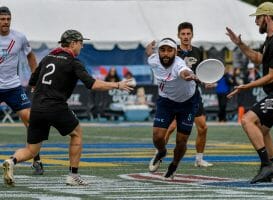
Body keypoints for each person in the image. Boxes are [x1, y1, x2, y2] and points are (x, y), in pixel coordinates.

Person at [2, 29, 134, 186]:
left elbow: (33, 80)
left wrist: (36, 90)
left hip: (37, 108)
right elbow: (92, 84)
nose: (82, 47)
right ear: (73, 43)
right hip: (56, 106)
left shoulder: (48, 57)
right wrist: (117, 84)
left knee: (32, 150)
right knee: (77, 133)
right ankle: (73, 175)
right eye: (81, 43)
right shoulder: (73, 62)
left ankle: (12, 160)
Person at [226, 2, 273, 184]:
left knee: (247, 120)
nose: (256, 22)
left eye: (258, 18)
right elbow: (258, 58)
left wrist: (246, 86)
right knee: (262, 130)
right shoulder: (272, 39)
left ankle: (267, 166)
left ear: (266, 17)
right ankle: (272, 171)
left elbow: (272, 77)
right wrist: (240, 44)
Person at [146, 38, 200, 179]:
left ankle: (174, 164)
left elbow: (184, 72)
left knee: (181, 141)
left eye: (169, 50)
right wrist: (149, 48)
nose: (165, 54)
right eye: (162, 50)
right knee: (157, 137)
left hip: (187, 103)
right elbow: (149, 54)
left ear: (175, 52)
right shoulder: (153, 60)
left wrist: (190, 76)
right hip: (166, 101)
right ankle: (162, 152)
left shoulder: (179, 64)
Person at [0, 6, 44, 175]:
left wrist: (35, 79)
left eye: (8, 19)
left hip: (13, 87)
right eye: (2, 19)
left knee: (31, 120)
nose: (5, 22)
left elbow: (31, 56)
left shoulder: (19, 37)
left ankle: (36, 160)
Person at [164, 22, 213, 167]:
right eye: (183, 34)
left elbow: (200, 73)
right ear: (178, 35)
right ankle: (159, 153)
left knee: (203, 127)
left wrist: (205, 82)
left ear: (192, 35)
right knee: (172, 126)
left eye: (188, 34)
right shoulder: (174, 51)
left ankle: (199, 159)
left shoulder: (198, 51)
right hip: (176, 94)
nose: (186, 37)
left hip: (193, 94)